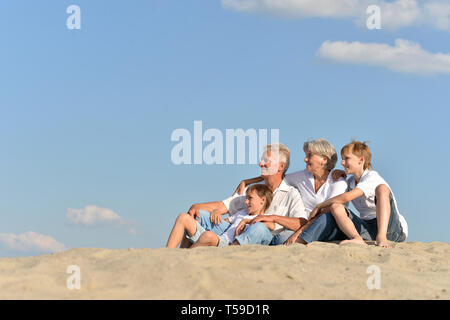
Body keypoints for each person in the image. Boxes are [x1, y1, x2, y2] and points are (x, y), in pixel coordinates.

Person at [172, 143, 308, 248]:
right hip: (232, 231)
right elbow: (226, 205)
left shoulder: (291, 193)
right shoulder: (251, 189)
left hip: (261, 236)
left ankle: (228, 249)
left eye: (266, 160)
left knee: (259, 228)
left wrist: (272, 218)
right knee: (196, 214)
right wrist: (198, 206)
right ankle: (176, 255)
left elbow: (301, 222)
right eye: (261, 160)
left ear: (280, 167)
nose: (260, 163)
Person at [285, 141, 408, 248]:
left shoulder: (372, 177)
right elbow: (339, 202)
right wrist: (340, 174)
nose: (342, 163)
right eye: (342, 159)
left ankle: (382, 237)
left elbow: (347, 197)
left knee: (382, 189)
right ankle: (357, 238)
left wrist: (319, 206)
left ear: (361, 160)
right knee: (335, 206)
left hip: (392, 229)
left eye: (346, 159)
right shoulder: (350, 182)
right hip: (368, 228)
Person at [235, 138, 348, 234]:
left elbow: (329, 211)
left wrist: (300, 232)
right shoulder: (301, 176)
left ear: (324, 159)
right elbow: (275, 175)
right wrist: (247, 181)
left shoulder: (338, 181)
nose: (305, 159)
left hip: (326, 228)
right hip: (306, 228)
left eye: (309, 156)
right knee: (282, 236)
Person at [190, 184, 274, 248]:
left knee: (207, 236)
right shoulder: (242, 212)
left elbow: (271, 225)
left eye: (250, 198)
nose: (246, 202)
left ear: (262, 200)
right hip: (223, 237)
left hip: (229, 243)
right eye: (246, 198)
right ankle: (182, 252)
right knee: (191, 218)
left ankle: (187, 257)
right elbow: (225, 222)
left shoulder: (264, 218)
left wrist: (246, 221)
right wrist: (216, 211)